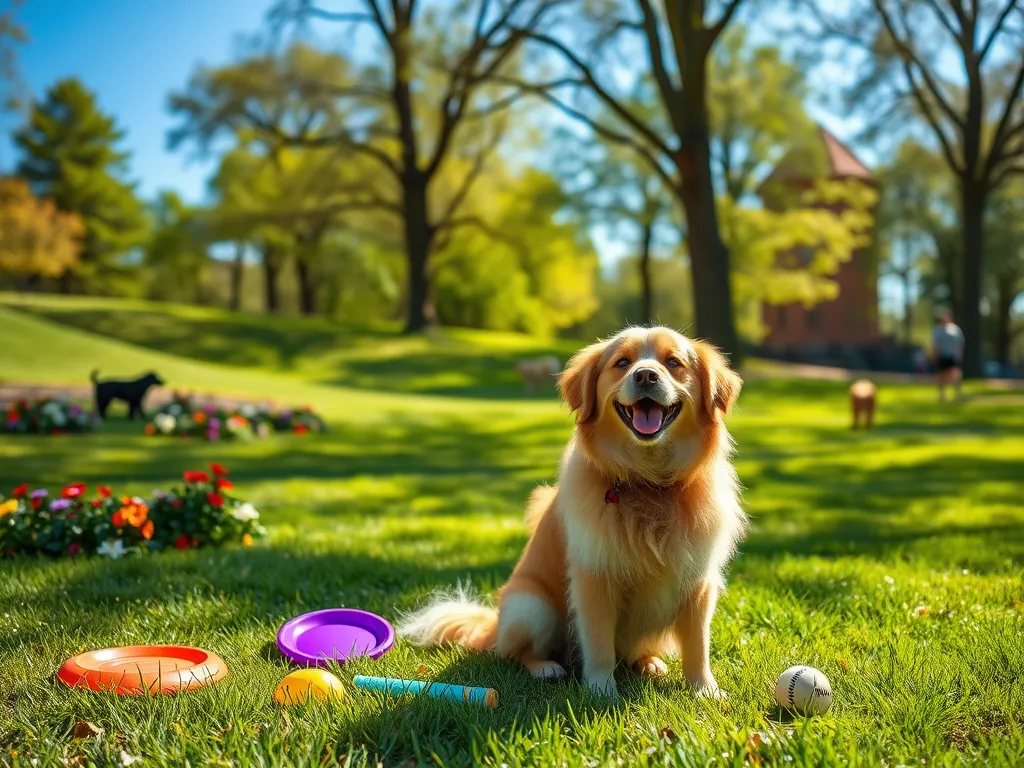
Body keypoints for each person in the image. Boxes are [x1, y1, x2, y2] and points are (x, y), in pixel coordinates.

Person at [931, 312, 964, 402]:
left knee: (955, 375)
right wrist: (934, 355)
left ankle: (957, 394)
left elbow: (960, 344)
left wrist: (959, 355)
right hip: (942, 355)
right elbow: (936, 344)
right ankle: (942, 396)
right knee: (941, 376)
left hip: (952, 356)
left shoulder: (955, 330)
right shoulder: (938, 330)